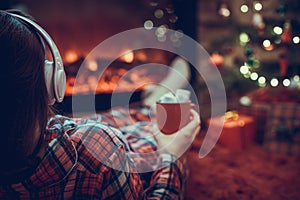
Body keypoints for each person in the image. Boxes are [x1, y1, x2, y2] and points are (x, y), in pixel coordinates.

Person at [0, 9, 200, 199]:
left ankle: (150, 102)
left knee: (112, 118)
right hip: (105, 152)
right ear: (50, 80)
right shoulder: (96, 146)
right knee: (144, 133)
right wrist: (171, 154)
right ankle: (152, 101)